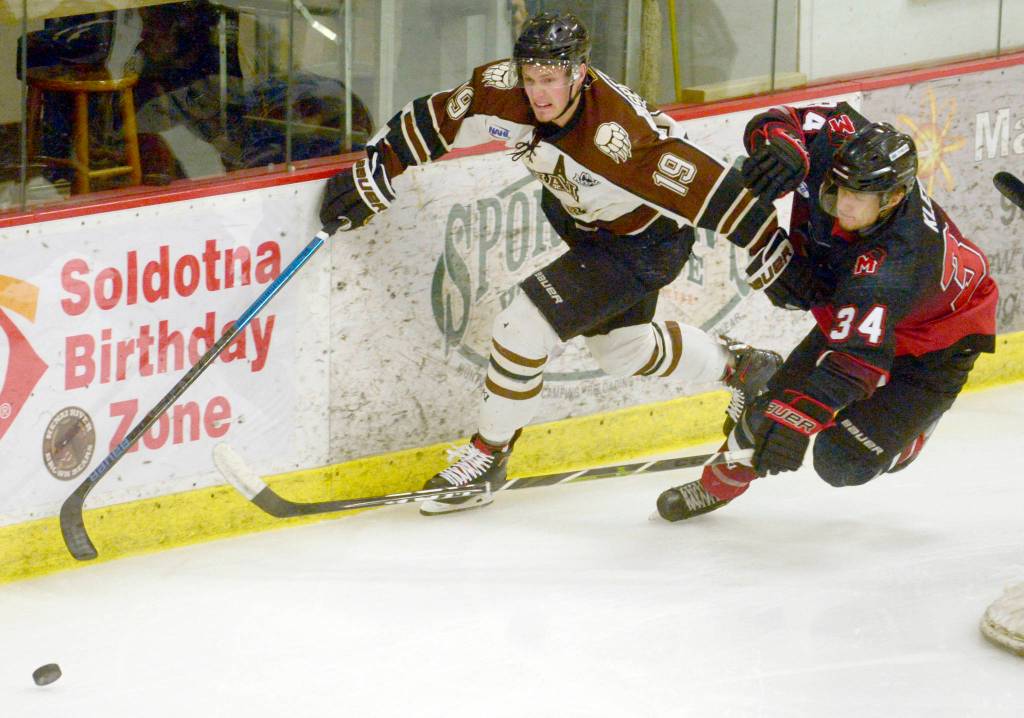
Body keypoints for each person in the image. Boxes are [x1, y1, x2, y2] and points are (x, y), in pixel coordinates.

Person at [319, 12, 784, 515]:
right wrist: (378, 165)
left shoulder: (620, 138)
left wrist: (774, 249)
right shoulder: (502, 88)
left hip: (644, 243)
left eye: (550, 81)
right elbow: (439, 118)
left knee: (521, 325)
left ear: (579, 74)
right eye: (531, 78)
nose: (538, 93)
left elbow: (715, 192)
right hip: (582, 223)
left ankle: (487, 458)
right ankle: (741, 366)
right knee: (621, 351)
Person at [657, 106, 999, 521]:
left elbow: (857, 362)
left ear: (892, 199)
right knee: (768, 409)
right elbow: (784, 117)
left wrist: (800, 418)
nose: (843, 206)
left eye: (859, 197)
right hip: (869, 309)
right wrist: (781, 144)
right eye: (839, 189)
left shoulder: (897, 261)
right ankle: (716, 485)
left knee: (838, 463)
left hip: (937, 347)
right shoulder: (842, 142)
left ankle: (910, 433)